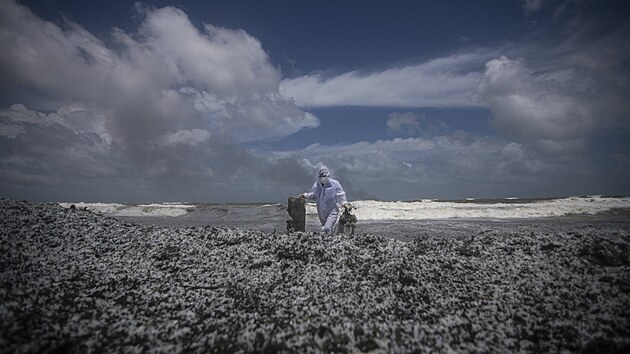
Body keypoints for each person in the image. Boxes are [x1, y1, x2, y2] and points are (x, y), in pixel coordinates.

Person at [300, 166, 350, 233]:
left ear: (328, 175)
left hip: (332, 211)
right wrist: (305, 195)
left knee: (327, 228)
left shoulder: (335, 184)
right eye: (320, 177)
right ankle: (331, 240)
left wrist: (345, 204)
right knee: (327, 229)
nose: (322, 178)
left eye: (324, 176)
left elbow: (341, 195)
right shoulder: (317, 185)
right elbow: (315, 196)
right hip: (321, 213)